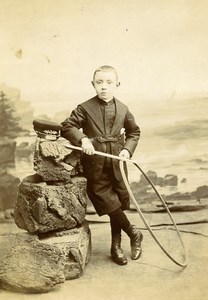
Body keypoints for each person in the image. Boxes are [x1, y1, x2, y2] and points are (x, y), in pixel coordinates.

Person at [61, 65, 143, 266]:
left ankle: (116, 246)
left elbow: (134, 133)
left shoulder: (123, 109)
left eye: (109, 82)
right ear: (93, 85)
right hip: (95, 166)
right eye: (99, 83)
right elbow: (67, 126)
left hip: (117, 164)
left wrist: (127, 150)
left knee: (117, 203)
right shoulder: (85, 108)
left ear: (117, 85)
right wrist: (83, 140)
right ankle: (134, 233)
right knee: (109, 203)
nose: (104, 87)